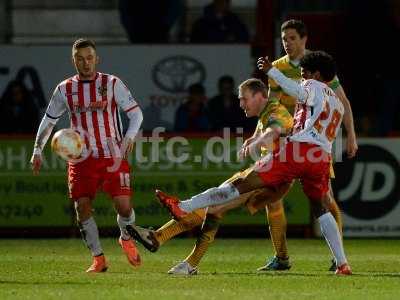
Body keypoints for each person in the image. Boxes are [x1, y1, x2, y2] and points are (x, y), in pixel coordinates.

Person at [154, 51, 352, 276]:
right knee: (320, 208)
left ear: (316, 73)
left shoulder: (313, 86)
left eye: (305, 73)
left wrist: (272, 71)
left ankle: (184, 206)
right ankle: (342, 263)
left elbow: (297, 92)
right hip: (321, 158)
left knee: (238, 185)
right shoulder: (337, 103)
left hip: (298, 152)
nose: (302, 76)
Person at [128, 78, 293, 274]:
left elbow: (273, 131)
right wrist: (253, 140)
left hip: (270, 174)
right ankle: (162, 240)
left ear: (259, 96)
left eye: (244, 99)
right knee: (227, 206)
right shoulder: (267, 112)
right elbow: (266, 132)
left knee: (215, 206)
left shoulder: (275, 111)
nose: (240, 104)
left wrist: (258, 143)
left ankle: (176, 249)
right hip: (268, 172)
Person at [30, 38, 144, 273]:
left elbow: (136, 115)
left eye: (90, 58)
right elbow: (48, 121)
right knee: (82, 208)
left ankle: (125, 237)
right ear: (74, 61)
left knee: (124, 208)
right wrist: (37, 150)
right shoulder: (64, 89)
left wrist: (130, 137)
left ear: (97, 59)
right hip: (81, 158)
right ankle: (98, 258)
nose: (86, 63)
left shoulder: (112, 83)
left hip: (112, 155)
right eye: (80, 59)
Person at [255, 19, 358, 272]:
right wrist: (265, 131)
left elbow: (341, 100)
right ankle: (281, 257)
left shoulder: (318, 65)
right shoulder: (278, 66)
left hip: (313, 140)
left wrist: (351, 135)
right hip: (286, 137)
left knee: (325, 198)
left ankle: (338, 256)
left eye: (292, 38)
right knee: (273, 199)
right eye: (284, 39)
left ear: (304, 40)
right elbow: (273, 103)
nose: (287, 43)